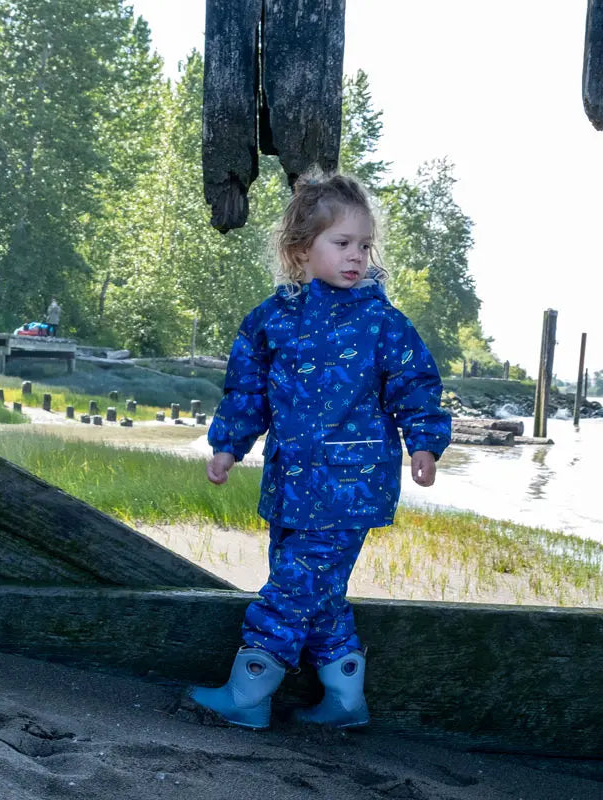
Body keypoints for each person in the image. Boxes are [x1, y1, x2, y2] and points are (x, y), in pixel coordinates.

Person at [190, 172, 451, 730]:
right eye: (342, 242)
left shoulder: (382, 323)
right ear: (300, 250)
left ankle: (249, 693)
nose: (357, 256)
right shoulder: (270, 320)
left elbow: (415, 384)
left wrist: (425, 444)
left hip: (349, 487)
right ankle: (344, 699)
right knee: (318, 591)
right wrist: (227, 447)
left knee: (293, 588)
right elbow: (246, 391)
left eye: (364, 245)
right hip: (289, 484)